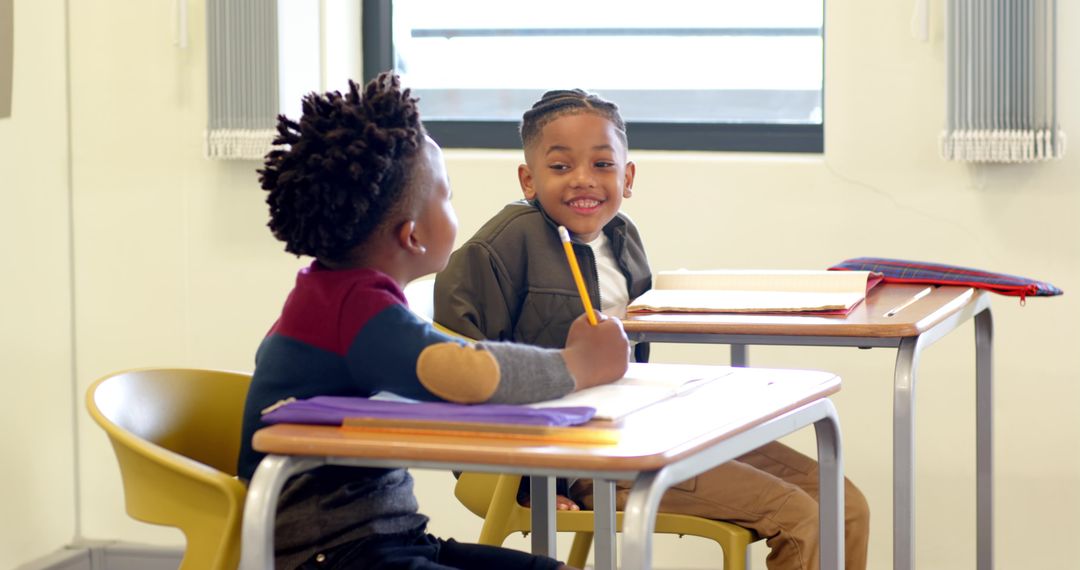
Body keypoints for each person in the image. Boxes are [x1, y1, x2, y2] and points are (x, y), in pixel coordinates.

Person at [433, 89, 870, 570]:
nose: (584, 180)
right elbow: (459, 380)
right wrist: (527, 487)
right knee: (802, 518)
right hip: (577, 458)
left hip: (649, 425)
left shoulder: (623, 236)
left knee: (845, 505)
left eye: (602, 165)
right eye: (560, 167)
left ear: (628, 175)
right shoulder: (501, 247)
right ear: (528, 179)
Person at [238, 73, 631, 570]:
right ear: (412, 236)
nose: (454, 210)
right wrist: (579, 363)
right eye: (446, 197)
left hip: (391, 538)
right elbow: (469, 373)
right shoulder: (355, 309)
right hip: (333, 553)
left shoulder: (340, 294)